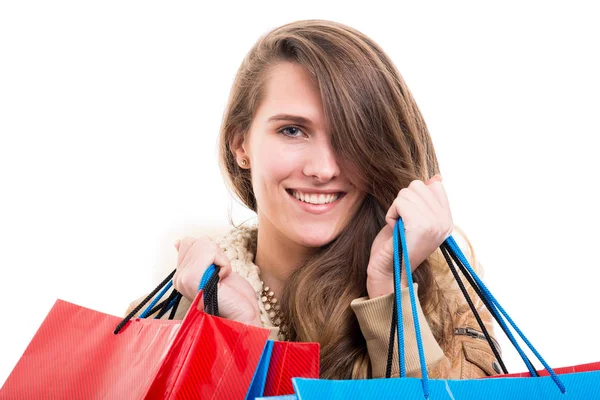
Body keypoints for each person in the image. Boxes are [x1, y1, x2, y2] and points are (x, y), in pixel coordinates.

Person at [125, 19, 501, 381]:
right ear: (241, 144)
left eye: (350, 135)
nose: (323, 169)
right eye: (292, 130)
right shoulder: (166, 319)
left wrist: (391, 291)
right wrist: (241, 334)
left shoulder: (442, 307)